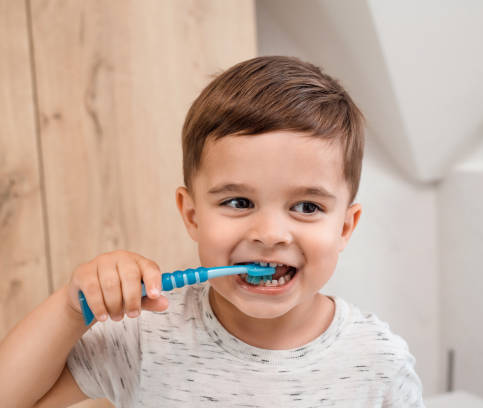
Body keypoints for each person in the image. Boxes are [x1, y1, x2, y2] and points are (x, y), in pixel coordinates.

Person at [0, 56, 424, 407]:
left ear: (345, 226)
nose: (271, 233)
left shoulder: (379, 361)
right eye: (238, 203)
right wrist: (71, 309)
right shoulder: (145, 337)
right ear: (192, 214)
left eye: (307, 206)